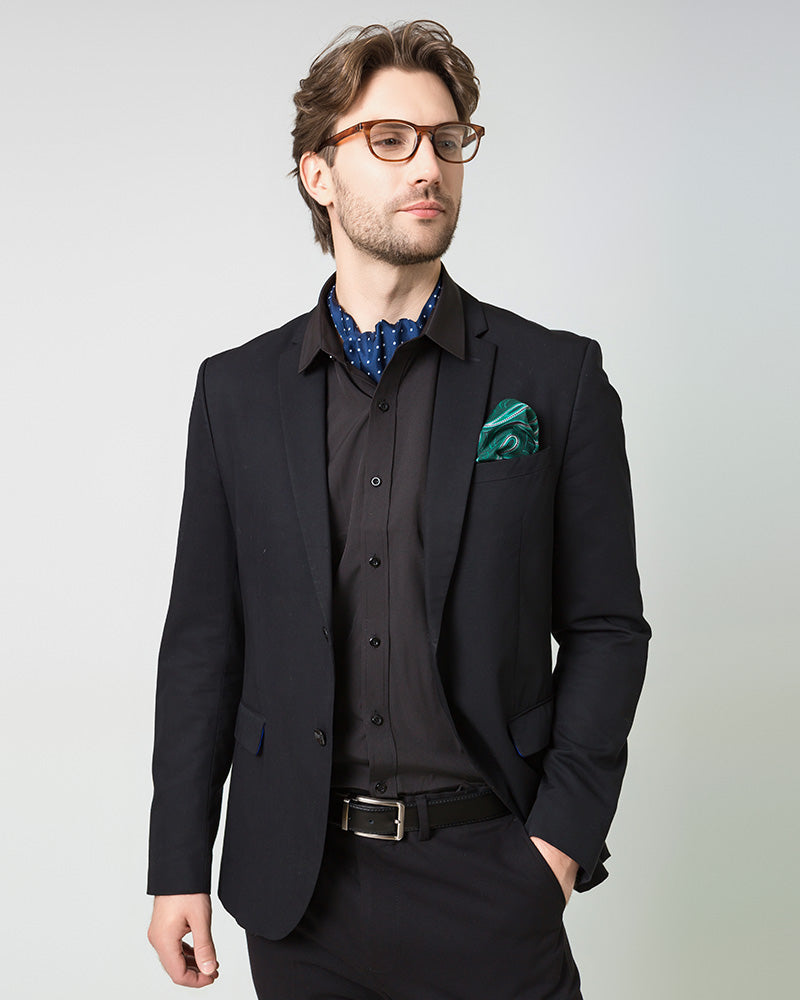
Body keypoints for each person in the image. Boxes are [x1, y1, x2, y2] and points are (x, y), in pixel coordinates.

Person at [146, 19, 650, 1000]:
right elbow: (204, 641)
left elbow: (605, 627)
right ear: (317, 174)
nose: (428, 165)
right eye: (389, 139)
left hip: (491, 872)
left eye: (446, 139)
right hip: (300, 890)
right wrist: (177, 865)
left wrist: (556, 845)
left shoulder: (555, 378)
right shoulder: (236, 393)